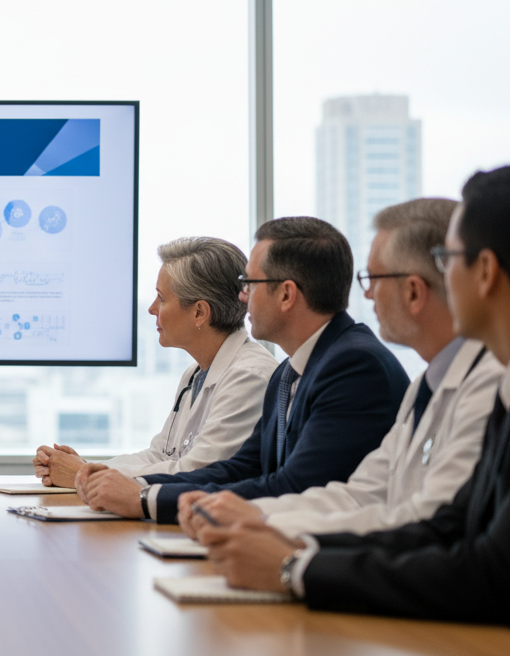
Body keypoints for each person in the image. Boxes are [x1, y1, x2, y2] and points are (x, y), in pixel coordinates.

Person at [196, 166, 510, 626]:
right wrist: (269, 531)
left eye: (448, 258)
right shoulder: (432, 381)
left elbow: (465, 551)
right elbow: (378, 498)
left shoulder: (370, 365)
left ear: (482, 271)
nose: (366, 295)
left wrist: (292, 562)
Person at [182, 199, 502, 538]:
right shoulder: (426, 383)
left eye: (374, 278)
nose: (366, 294)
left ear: (413, 291)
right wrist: (253, 517)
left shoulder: (362, 366)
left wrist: (274, 539)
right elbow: (361, 494)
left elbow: (427, 520)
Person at [76, 216, 409, 523]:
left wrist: (145, 498)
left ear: (286, 294)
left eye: (250, 283)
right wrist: (138, 490)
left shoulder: (354, 367)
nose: (242, 296)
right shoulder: (289, 372)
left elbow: (296, 486)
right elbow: (240, 469)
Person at [33, 237, 277, 488]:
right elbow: (161, 455)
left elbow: (197, 472)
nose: (151, 308)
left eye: (161, 298)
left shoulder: (249, 377)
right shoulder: (195, 372)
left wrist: (84, 476)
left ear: (199, 313)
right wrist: (88, 468)